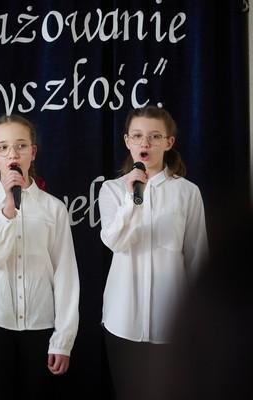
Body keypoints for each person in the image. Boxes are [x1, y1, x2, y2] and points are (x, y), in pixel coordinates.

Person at [0, 114, 80, 400]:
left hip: (41, 325)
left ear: (33, 152)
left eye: (21, 146)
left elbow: (66, 274)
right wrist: (7, 208)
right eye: (3, 148)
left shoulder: (54, 208)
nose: (13, 154)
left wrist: (63, 339)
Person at [98, 105, 209, 400]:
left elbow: (198, 258)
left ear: (169, 142)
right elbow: (114, 241)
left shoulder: (187, 192)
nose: (145, 143)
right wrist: (132, 199)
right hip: (122, 319)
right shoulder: (112, 190)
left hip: (172, 323)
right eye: (137, 135)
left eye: (154, 136)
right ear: (127, 141)